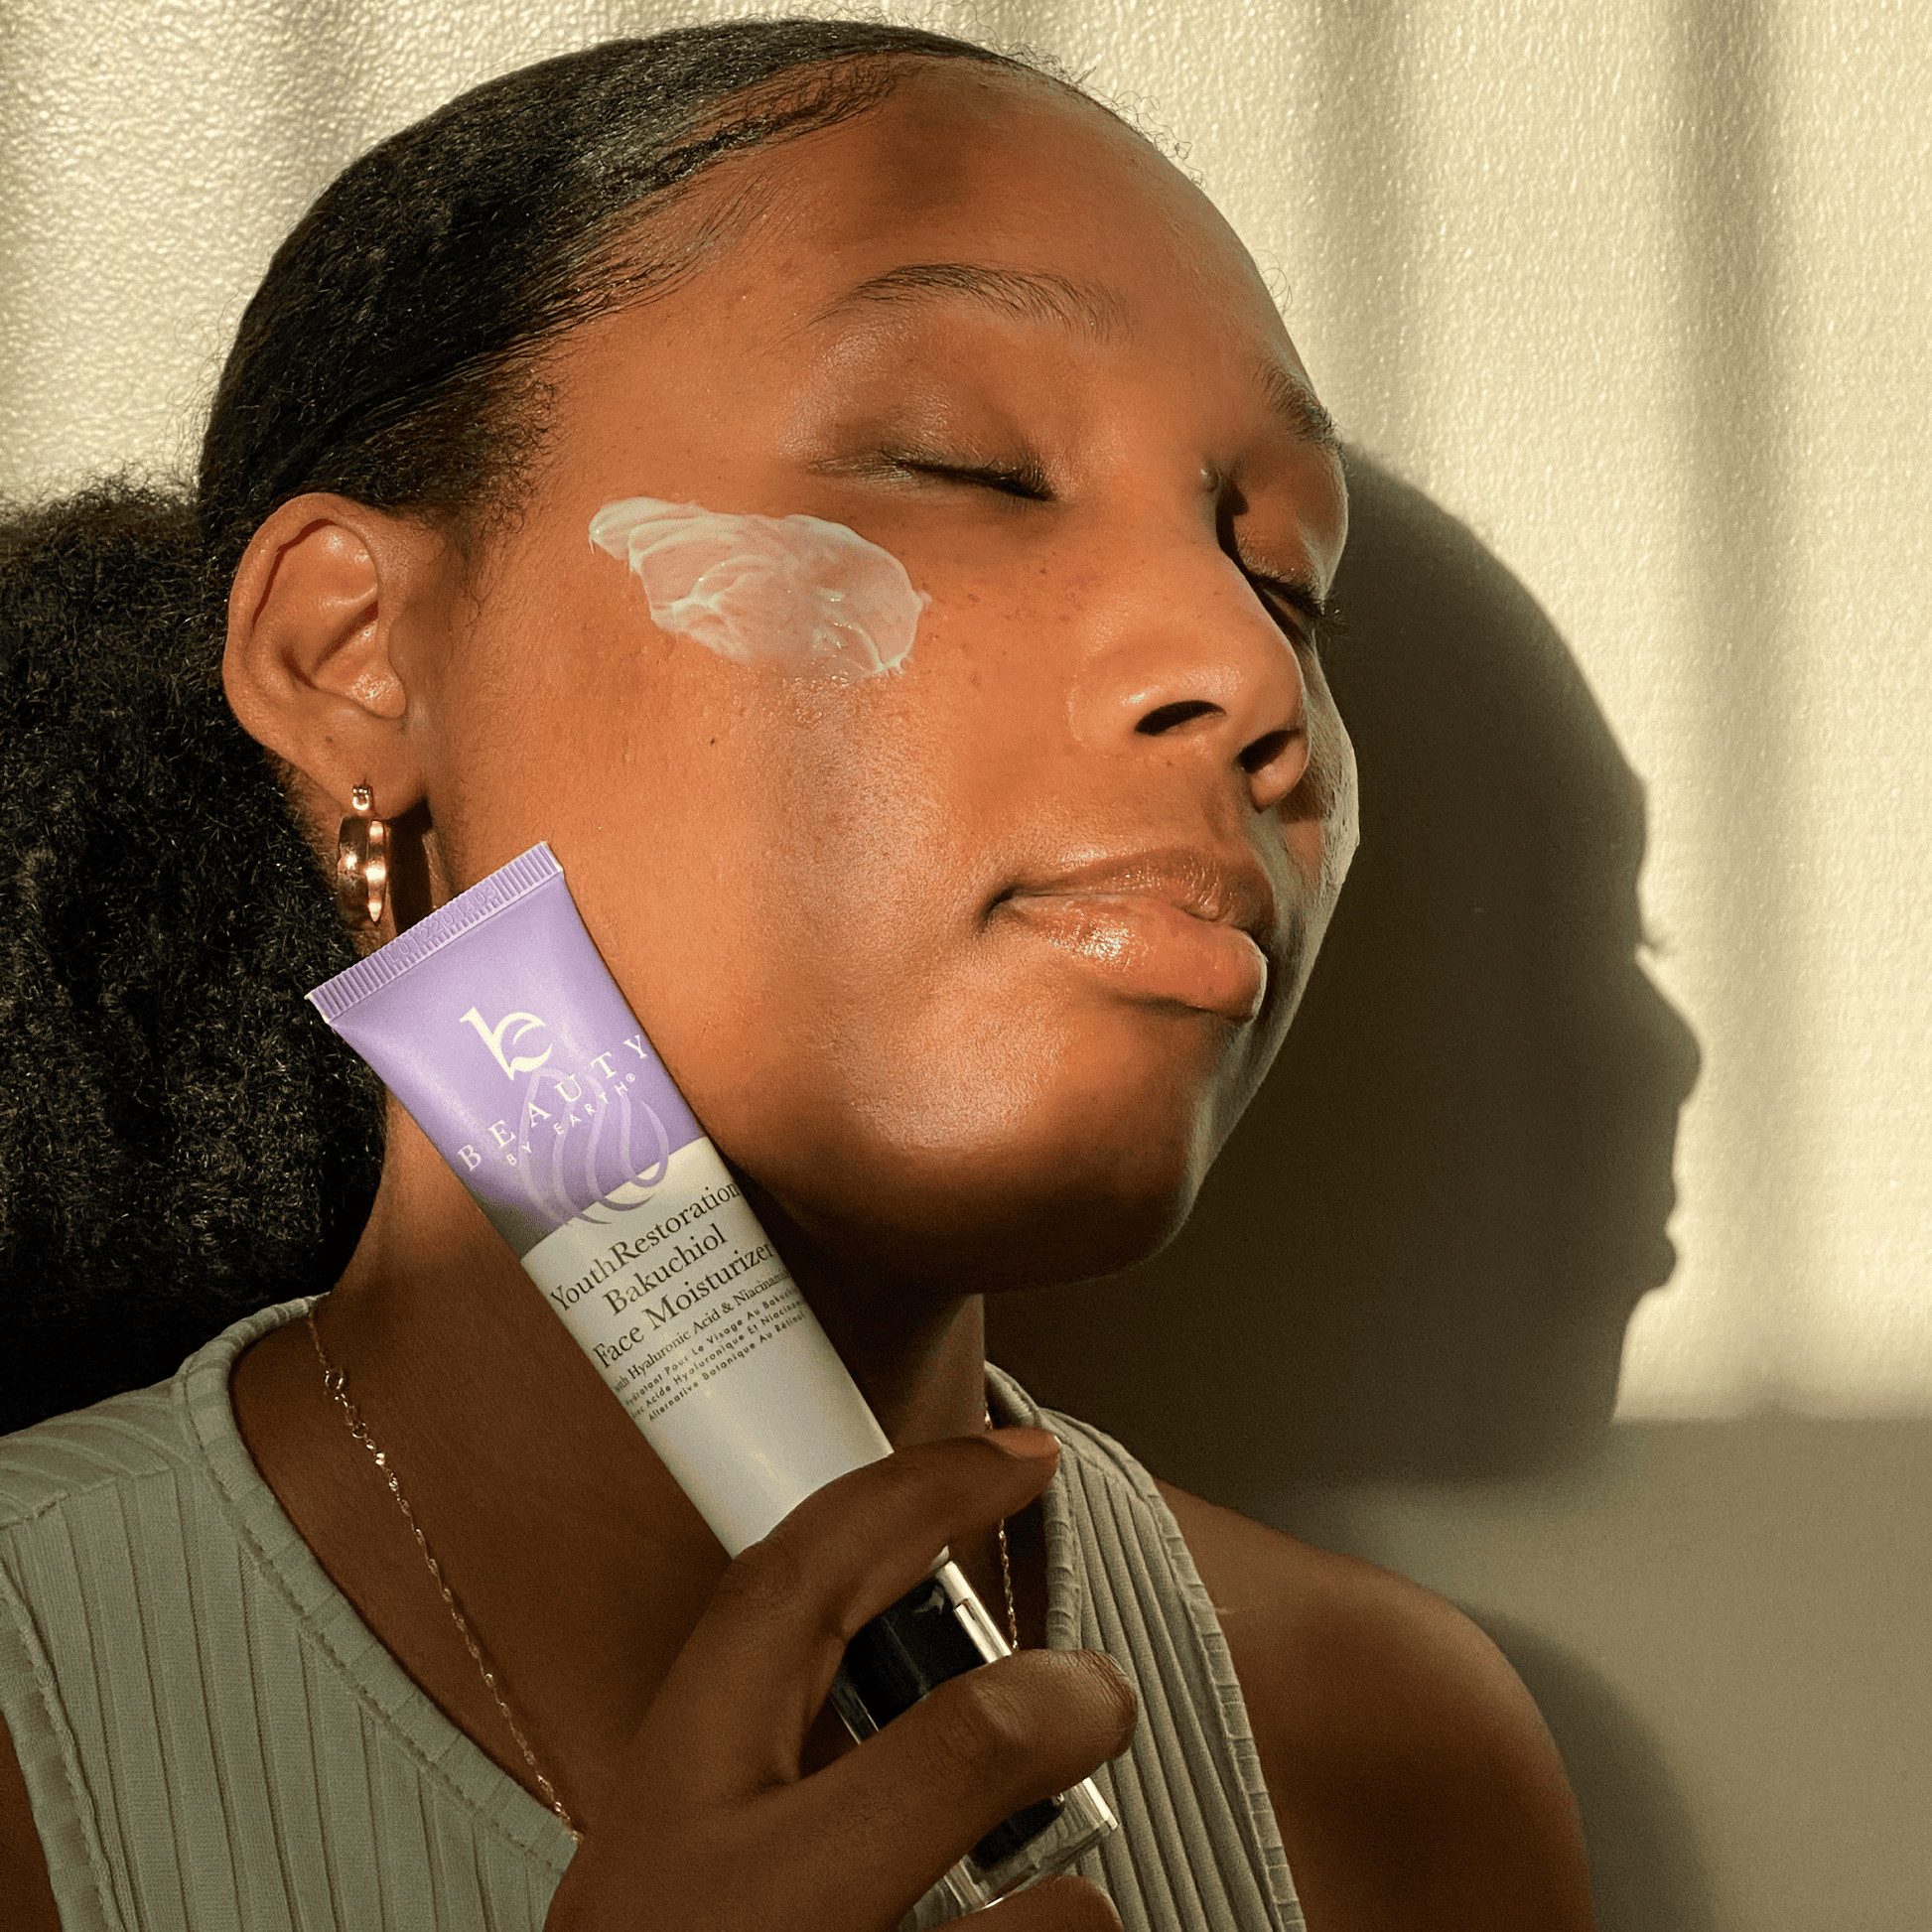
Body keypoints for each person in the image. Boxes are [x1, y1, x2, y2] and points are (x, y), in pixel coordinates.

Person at [0, 22, 1594, 1929]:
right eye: (968, 467)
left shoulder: (1380, 1758)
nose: (1248, 679)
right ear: (359, 653)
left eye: (1283, 572)